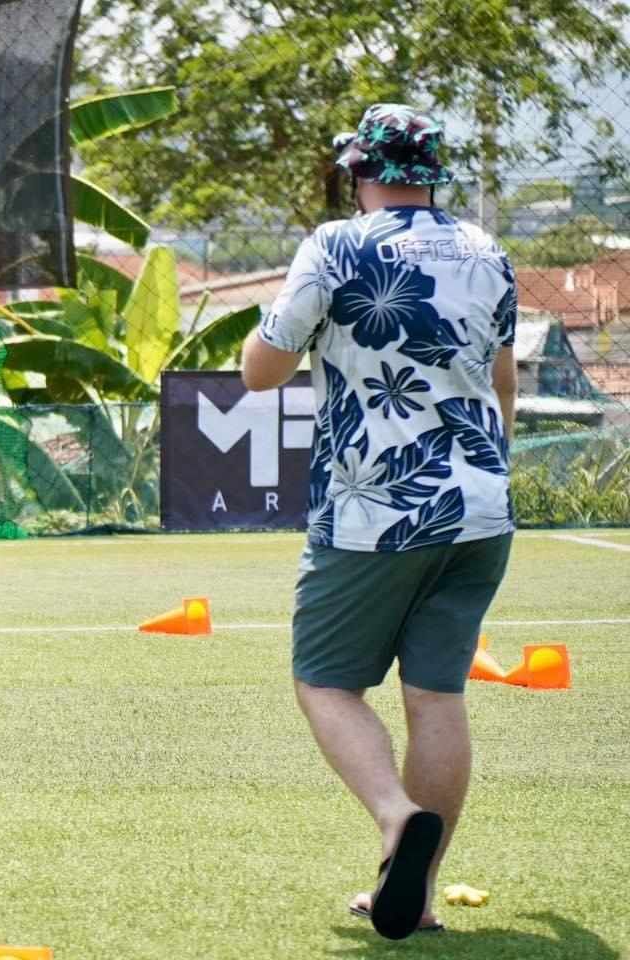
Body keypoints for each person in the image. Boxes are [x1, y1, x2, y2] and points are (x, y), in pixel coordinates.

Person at [240, 104, 518, 940]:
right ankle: (419, 895)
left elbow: (260, 371)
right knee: (436, 697)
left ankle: (397, 819)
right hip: (480, 505)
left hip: (376, 508)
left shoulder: (335, 245)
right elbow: (502, 382)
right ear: (432, 173)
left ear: (361, 172)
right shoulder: (486, 250)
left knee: (325, 681)